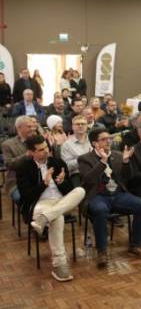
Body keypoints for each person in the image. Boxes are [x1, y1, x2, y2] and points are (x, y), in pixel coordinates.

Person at [17, 134, 85, 282]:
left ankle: (44, 219)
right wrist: (44, 183)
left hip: (61, 202)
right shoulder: (24, 167)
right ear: (31, 152)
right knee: (57, 218)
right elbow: (26, 197)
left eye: (46, 147)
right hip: (40, 204)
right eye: (41, 150)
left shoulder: (58, 162)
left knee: (80, 191)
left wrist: (61, 182)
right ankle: (60, 264)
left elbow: (69, 190)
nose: (46, 151)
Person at [79, 129, 141, 267]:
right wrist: (103, 161)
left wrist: (125, 162)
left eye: (109, 139)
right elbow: (88, 180)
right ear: (94, 143)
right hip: (98, 195)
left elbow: (127, 177)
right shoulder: (85, 159)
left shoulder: (118, 155)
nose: (108, 141)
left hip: (118, 194)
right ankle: (102, 251)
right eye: (104, 139)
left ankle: (135, 245)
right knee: (100, 210)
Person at [2, 116, 35, 203]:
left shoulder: (37, 140)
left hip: (37, 179)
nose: (32, 129)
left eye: (32, 126)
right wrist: (26, 155)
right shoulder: (8, 144)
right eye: (29, 126)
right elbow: (9, 164)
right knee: (26, 198)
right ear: (19, 128)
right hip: (16, 182)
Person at [60, 115, 92, 187]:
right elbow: (66, 166)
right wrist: (83, 158)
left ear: (87, 126)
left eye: (83, 124)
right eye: (77, 124)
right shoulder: (66, 145)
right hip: (78, 174)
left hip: (94, 170)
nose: (80, 126)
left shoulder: (93, 140)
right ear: (72, 127)